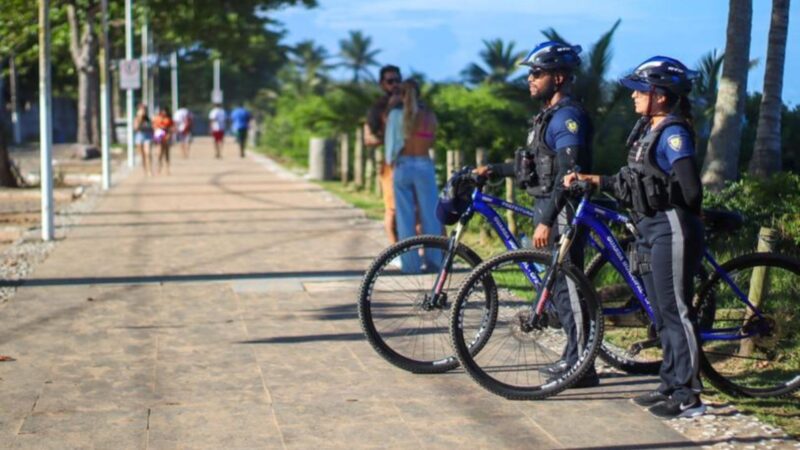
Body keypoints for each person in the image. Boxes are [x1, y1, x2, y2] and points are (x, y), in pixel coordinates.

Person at [564, 56, 705, 418]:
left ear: (660, 94)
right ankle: (670, 383)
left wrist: (657, 199)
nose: (634, 96)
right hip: (647, 228)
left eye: (641, 90)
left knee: (676, 311)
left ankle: (688, 395)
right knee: (659, 313)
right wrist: (595, 181)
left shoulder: (673, 133)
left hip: (670, 227)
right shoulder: (646, 130)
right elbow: (632, 183)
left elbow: (690, 190)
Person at [473, 41, 597, 388]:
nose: (530, 78)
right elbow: (535, 167)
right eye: (529, 73)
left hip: (562, 212)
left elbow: (568, 177)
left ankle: (583, 367)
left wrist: (547, 219)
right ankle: (573, 357)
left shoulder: (568, 118)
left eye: (536, 73)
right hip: (548, 207)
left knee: (569, 288)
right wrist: (493, 170)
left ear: (558, 78)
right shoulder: (547, 116)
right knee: (559, 286)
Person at [385, 79, 441, 272]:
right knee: (430, 217)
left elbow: (390, 147)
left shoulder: (395, 115)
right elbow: (432, 140)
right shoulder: (428, 115)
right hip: (424, 165)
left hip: (403, 165)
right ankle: (434, 261)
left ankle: (410, 265)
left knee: (405, 217)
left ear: (401, 94)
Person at [365, 65, 402, 244]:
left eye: (397, 80)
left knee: (416, 210)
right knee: (392, 209)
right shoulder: (377, 108)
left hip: (411, 162)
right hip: (390, 165)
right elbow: (368, 138)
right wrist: (389, 137)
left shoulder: (409, 103)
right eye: (390, 81)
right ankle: (393, 249)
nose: (394, 84)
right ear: (382, 84)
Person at [133, 103, 154, 176]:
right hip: (139, 137)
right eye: (142, 109)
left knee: (148, 153)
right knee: (142, 156)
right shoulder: (136, 118)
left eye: (144, 109)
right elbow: (136, 128)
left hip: (147, 137)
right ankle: (145, 169)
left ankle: (150, 170)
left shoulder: (148, 119)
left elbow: (152, 128)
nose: (143, 111)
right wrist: (139, 118)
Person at [152, 107, 174, 175]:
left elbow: (172, 128)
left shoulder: (169, 119)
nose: (164, 113)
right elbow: (154, 127)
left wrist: (169, 134)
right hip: (159, 136)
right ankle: (159, 166)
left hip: (166, 136)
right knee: (160, 152)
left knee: (167, 153)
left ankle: (167, 168)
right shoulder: (157, 118)